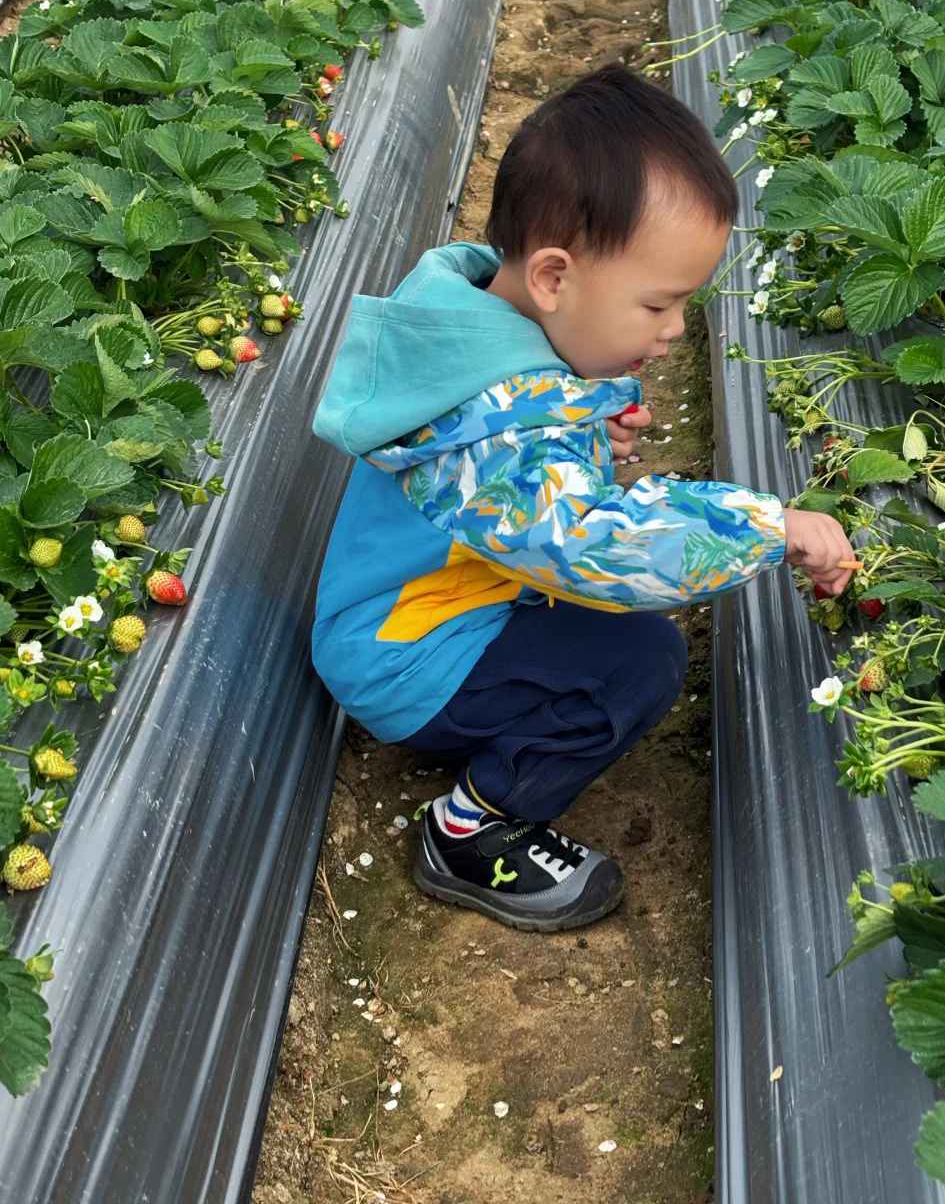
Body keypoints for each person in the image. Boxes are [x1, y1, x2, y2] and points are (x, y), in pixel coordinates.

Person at [311, 64, 853, 932]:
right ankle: (471, 829)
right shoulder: (499, 424)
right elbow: (587, 543)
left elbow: (513, 488)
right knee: (638, 662)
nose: (675, 330)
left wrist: (588, 440)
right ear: (556, 277)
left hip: (419, 609)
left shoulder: (484, 329)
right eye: (659, 304)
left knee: (618, 640)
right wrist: (765, 526)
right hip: (409, 654)